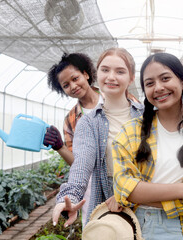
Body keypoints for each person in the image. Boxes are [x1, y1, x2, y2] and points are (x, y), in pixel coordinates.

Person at [112, 52, 183, 240]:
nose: (159, 88)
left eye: (165, 78)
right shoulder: (130, 132)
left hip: (178, 228)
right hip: (132, 225)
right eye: (150, 83)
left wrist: (140, 194)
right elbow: (123, 189)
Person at [52, 48, 144, 228]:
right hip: (104, 197)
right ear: (97, 73)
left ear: (131, 77)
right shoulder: (85, 122)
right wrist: (69, 197)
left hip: (146, 203)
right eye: (105, 70)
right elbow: (81, 164)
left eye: (120, 71)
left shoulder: (145, 115)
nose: (111, 77)